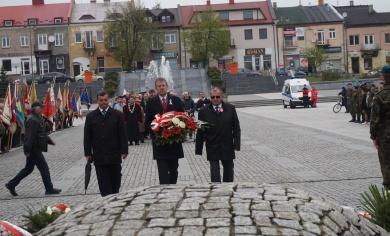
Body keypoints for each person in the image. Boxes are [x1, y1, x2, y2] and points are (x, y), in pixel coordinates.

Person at [5, 102, 61, 196]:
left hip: (34, 147)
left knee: (28, 169)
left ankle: (11, 184)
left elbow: (41, 133)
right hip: (33, 148)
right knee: (44, 168)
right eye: (41, 108)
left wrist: (50, 141)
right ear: (35, 108)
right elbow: (30, 136)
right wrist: (27, 150)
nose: (42, 109)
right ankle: (49, 188)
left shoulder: (36, 118)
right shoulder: (33, 120)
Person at [84, 91, 128, 197]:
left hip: (114, 155)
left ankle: (115, 203)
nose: (103, 102)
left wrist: (124, 150)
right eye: (101, 100)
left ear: (108, 101)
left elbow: (123, 134)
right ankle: (106, 206)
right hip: (99, 156)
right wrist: (87, 153)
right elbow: (87, 137)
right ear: (97, 101)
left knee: (115, 184)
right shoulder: (91, 116)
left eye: (105, 100)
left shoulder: (117, 115)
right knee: (104, 186)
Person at [195, 87, 241, 183]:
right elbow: (201, 130)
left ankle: (228, 188)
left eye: (217, 96)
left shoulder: (230, 108)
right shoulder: (203, 111)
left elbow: (236, 128)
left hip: (227, 144)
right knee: (214, 170)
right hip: (212, 145)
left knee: (228, 169)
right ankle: (216, 190)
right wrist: (198, 148)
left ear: (222, 97)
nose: (215, 99)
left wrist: (237, 144)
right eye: (212, 97)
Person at [145, 78, 184, 184]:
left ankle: (173, 188)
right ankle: (165, 191)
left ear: (167, 86)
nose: (161, 87)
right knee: (162, 170)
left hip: (174, 142)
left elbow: (182, 118)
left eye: (163, 85)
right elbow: (148, 121)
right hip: (159, 143)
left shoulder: (176, 100)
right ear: (156, 88)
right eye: (159, 86)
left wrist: (177, 130)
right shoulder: (151, 102)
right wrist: (155, 131)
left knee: (173, 170)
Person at [370, 65, 390, 191]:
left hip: (386, 137)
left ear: (383, 76)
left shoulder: (380, 96)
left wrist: (374, 136)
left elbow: (375, 119)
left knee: (387, 163)